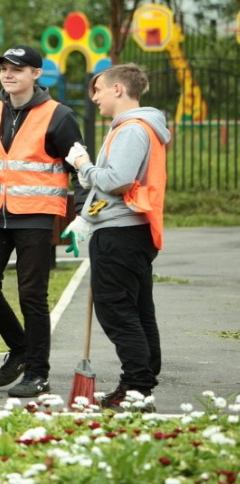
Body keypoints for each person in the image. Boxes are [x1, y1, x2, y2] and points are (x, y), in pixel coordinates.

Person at [0, 44, 88, 398]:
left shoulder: (60, 116)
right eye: (4, 68)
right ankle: (20, 347)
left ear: (36, 74)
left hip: (36, 215)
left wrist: (83, 216)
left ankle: (38, 372)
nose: (8, 74)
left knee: (32, 295)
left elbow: (81, 169)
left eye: (17, 69)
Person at [65, 63, 169, 409]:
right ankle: (141, 384)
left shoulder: (132, 130)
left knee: (117, 312)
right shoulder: (135, 128)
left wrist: (82, 164)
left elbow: (116, 180)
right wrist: (86, 214)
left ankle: (136, 387)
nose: (94, 97)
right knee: (138, 311)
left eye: (98, 90)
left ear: (118, 90)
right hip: (129, 230)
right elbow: (112, 182)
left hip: (120, 234)